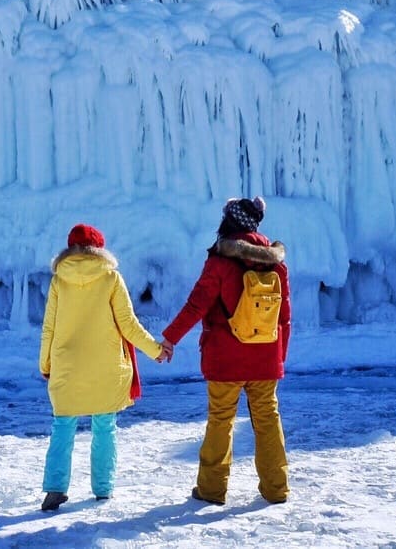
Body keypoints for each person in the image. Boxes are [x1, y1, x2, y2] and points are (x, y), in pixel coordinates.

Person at [160, 197, 291, 505]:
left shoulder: (219, 262)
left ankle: (212, 490)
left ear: (229, 222)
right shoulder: (276, 263)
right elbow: (284, 318)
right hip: (265, 357)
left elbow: (196, 305)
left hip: (225, 358)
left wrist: (170, 339)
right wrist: (278, 358)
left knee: (221, 420)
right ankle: (276, 488)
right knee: (268, 420)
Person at [38, 223, 172, 512]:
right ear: (99, 249)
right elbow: (128, 324)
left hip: (67, 366)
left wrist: (45, 363)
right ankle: (103, 489)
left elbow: (49, 327)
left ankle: (54, 489)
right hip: (105, 366)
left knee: (62, 427)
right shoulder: (110, 278)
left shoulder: (59, 280)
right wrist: (156, 351)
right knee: (104, 428)